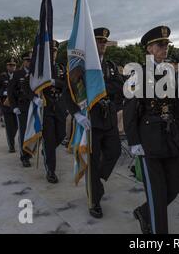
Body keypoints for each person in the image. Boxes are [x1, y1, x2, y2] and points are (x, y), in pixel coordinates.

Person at [123, 25, 179, 234]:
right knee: (157, 194)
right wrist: (134, 142)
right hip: (149, 141)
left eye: (167, 44)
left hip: (170, 138)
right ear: (149, 48)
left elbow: (177, 106)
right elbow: (130, 111)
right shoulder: (137, 74)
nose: (165, 48)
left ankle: (144, 211)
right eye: (161, 44)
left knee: (175, 188)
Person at [64, 27, 122, 219]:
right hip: (91, 120)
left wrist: (99, 87)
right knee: (92, 160)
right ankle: (94, 201)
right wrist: (76, 114)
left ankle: (96, 179)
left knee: (115, 152)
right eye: (99, 41)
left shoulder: (111, 65)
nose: (102, 44)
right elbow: (68, 92)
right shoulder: (81, 67)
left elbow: (119, 86)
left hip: (109, 118)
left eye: (104, 41)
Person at [41, 40, 67, 183]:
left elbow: (67, 85)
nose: (53, 53)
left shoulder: (61, 67)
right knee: (49, 140)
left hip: (60, 107)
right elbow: (30, 85)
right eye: (50, 51)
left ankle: (46, 150)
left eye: (55, 51)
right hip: (46, 107)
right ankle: (51, 171)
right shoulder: (40, 68)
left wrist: (55, 82)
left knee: (61, 134)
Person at [8, 52, 34, 167]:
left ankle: (30, 151)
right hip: (22, 107)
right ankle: (24, 156)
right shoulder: (18, 74)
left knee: (33, 131)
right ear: (23, 61)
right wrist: (14, 107)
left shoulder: (36, 72)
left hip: (34, 106)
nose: (29, 62)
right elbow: (10, 92)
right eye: (27, 60)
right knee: (23, 132)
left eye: (31, 60)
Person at [0, 58, 18, 152]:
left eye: (14, 65)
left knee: (16, 126)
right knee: (9, 127)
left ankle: (13, 139)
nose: (12, 67)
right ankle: (11, 146)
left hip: (17, 105)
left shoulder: (18, 75)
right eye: (10, 65)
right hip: (6, 105)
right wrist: (3, 93)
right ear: (7, 66)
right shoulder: (3, 77)